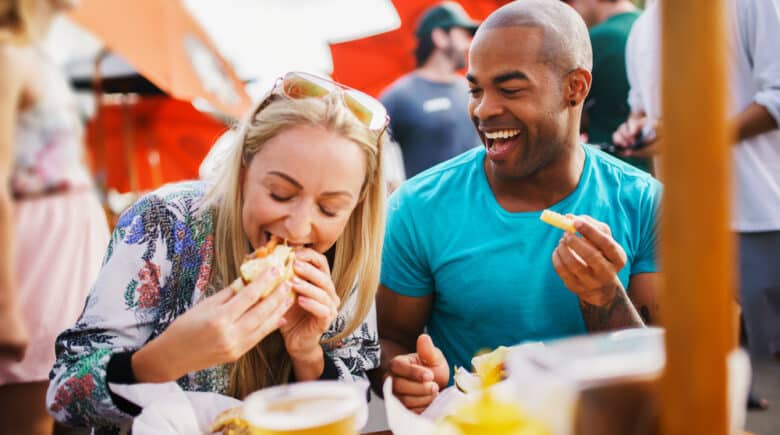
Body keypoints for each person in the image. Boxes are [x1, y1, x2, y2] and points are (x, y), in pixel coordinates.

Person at [46, 71, 389, 431]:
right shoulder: (164, 222)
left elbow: (353, 410)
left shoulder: (344, 256)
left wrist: (308, 355)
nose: (299, 228)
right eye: (280, 194)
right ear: (243, 171)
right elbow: (64, 396)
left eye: (330, 208)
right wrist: (165, 358)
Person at [372, 0, 662, 413]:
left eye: (509, 89)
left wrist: (603, 296)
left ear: (575, 87)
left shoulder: (643, 201)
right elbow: (390, 340)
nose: (483, 109)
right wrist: (406, 374)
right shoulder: (417, 208)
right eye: (475, 89)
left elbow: (663, 367)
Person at [612, 0, 780, 409]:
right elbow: (643, 110)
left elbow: (776, 96)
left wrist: (692, 135)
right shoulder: (643, 26)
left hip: (761, 212)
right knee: (722, 383)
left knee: (770, 364)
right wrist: (635, 130)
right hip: (681, 223)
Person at [0, 0, 111, 433]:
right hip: (37, 266)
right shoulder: (7, 56)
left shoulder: (39, 58)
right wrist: (6, 307)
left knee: (74, 410)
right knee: (30, 410)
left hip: (69, 261)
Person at [379, 1, 482, 178]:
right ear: (440, 37)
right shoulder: (399, 95)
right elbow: (372, 152)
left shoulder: (473, 90)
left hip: (476, 201)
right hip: (424, 204)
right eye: (463, 35)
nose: (468, 44)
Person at [561, 0, 649, 173]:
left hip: (612, 172)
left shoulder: (594, 39)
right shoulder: (647, 30)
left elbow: (558, 112)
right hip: (654, 172)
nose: (573, 7)